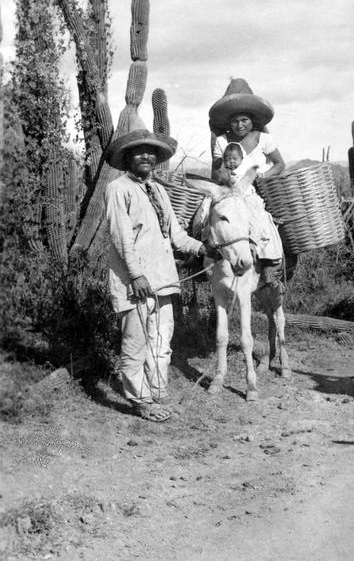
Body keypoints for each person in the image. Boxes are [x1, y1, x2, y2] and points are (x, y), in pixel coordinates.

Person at [104, 122, 206, 422]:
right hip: (134, 283)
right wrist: (136, 275)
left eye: (151, 153)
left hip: (163, 280)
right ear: (127, 158)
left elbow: (176, 236)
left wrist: (205, 249)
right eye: (139, 153)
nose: (146, 157)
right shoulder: (117, 189)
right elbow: (121, 237)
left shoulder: (159, 191)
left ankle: (157, 394)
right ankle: (140, 401)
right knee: (136, 344)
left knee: (161, 344)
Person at [208, 78, 285, 285]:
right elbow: (217, 172)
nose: (240, 125)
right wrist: (223, 171)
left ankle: (270, 265)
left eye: (244, 120)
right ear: (228, 122)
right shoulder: (222, 141)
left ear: (252, 119)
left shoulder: (264, 139)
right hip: (228, 192)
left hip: (251, 192)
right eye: (235, 121)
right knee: (210, 219)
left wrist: (262, 176)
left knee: (261, 220)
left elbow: (279, 164)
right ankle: (208, 257)